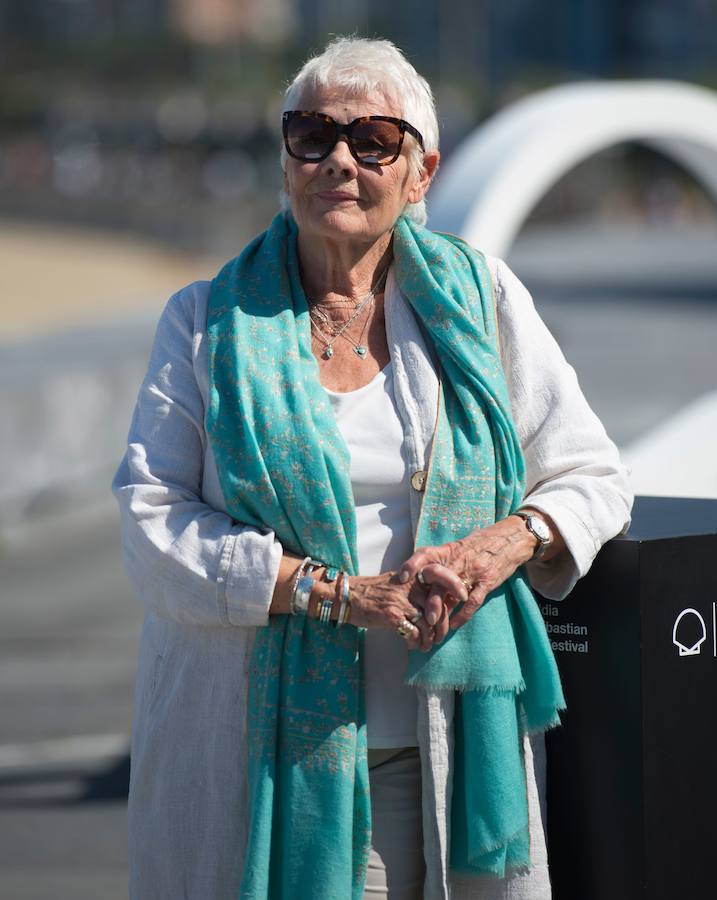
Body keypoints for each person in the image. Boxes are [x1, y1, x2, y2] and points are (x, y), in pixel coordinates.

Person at [113, 36, 632, 900]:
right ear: (285, 158)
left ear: (420, 172)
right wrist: (332, 594)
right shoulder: (205, 321)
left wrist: (496, 547)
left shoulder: (482, 301)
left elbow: (590, 474)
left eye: (372, 141)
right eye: (311, 135)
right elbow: (149, 520)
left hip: (450, 736)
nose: (338, 161)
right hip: (271, 751)